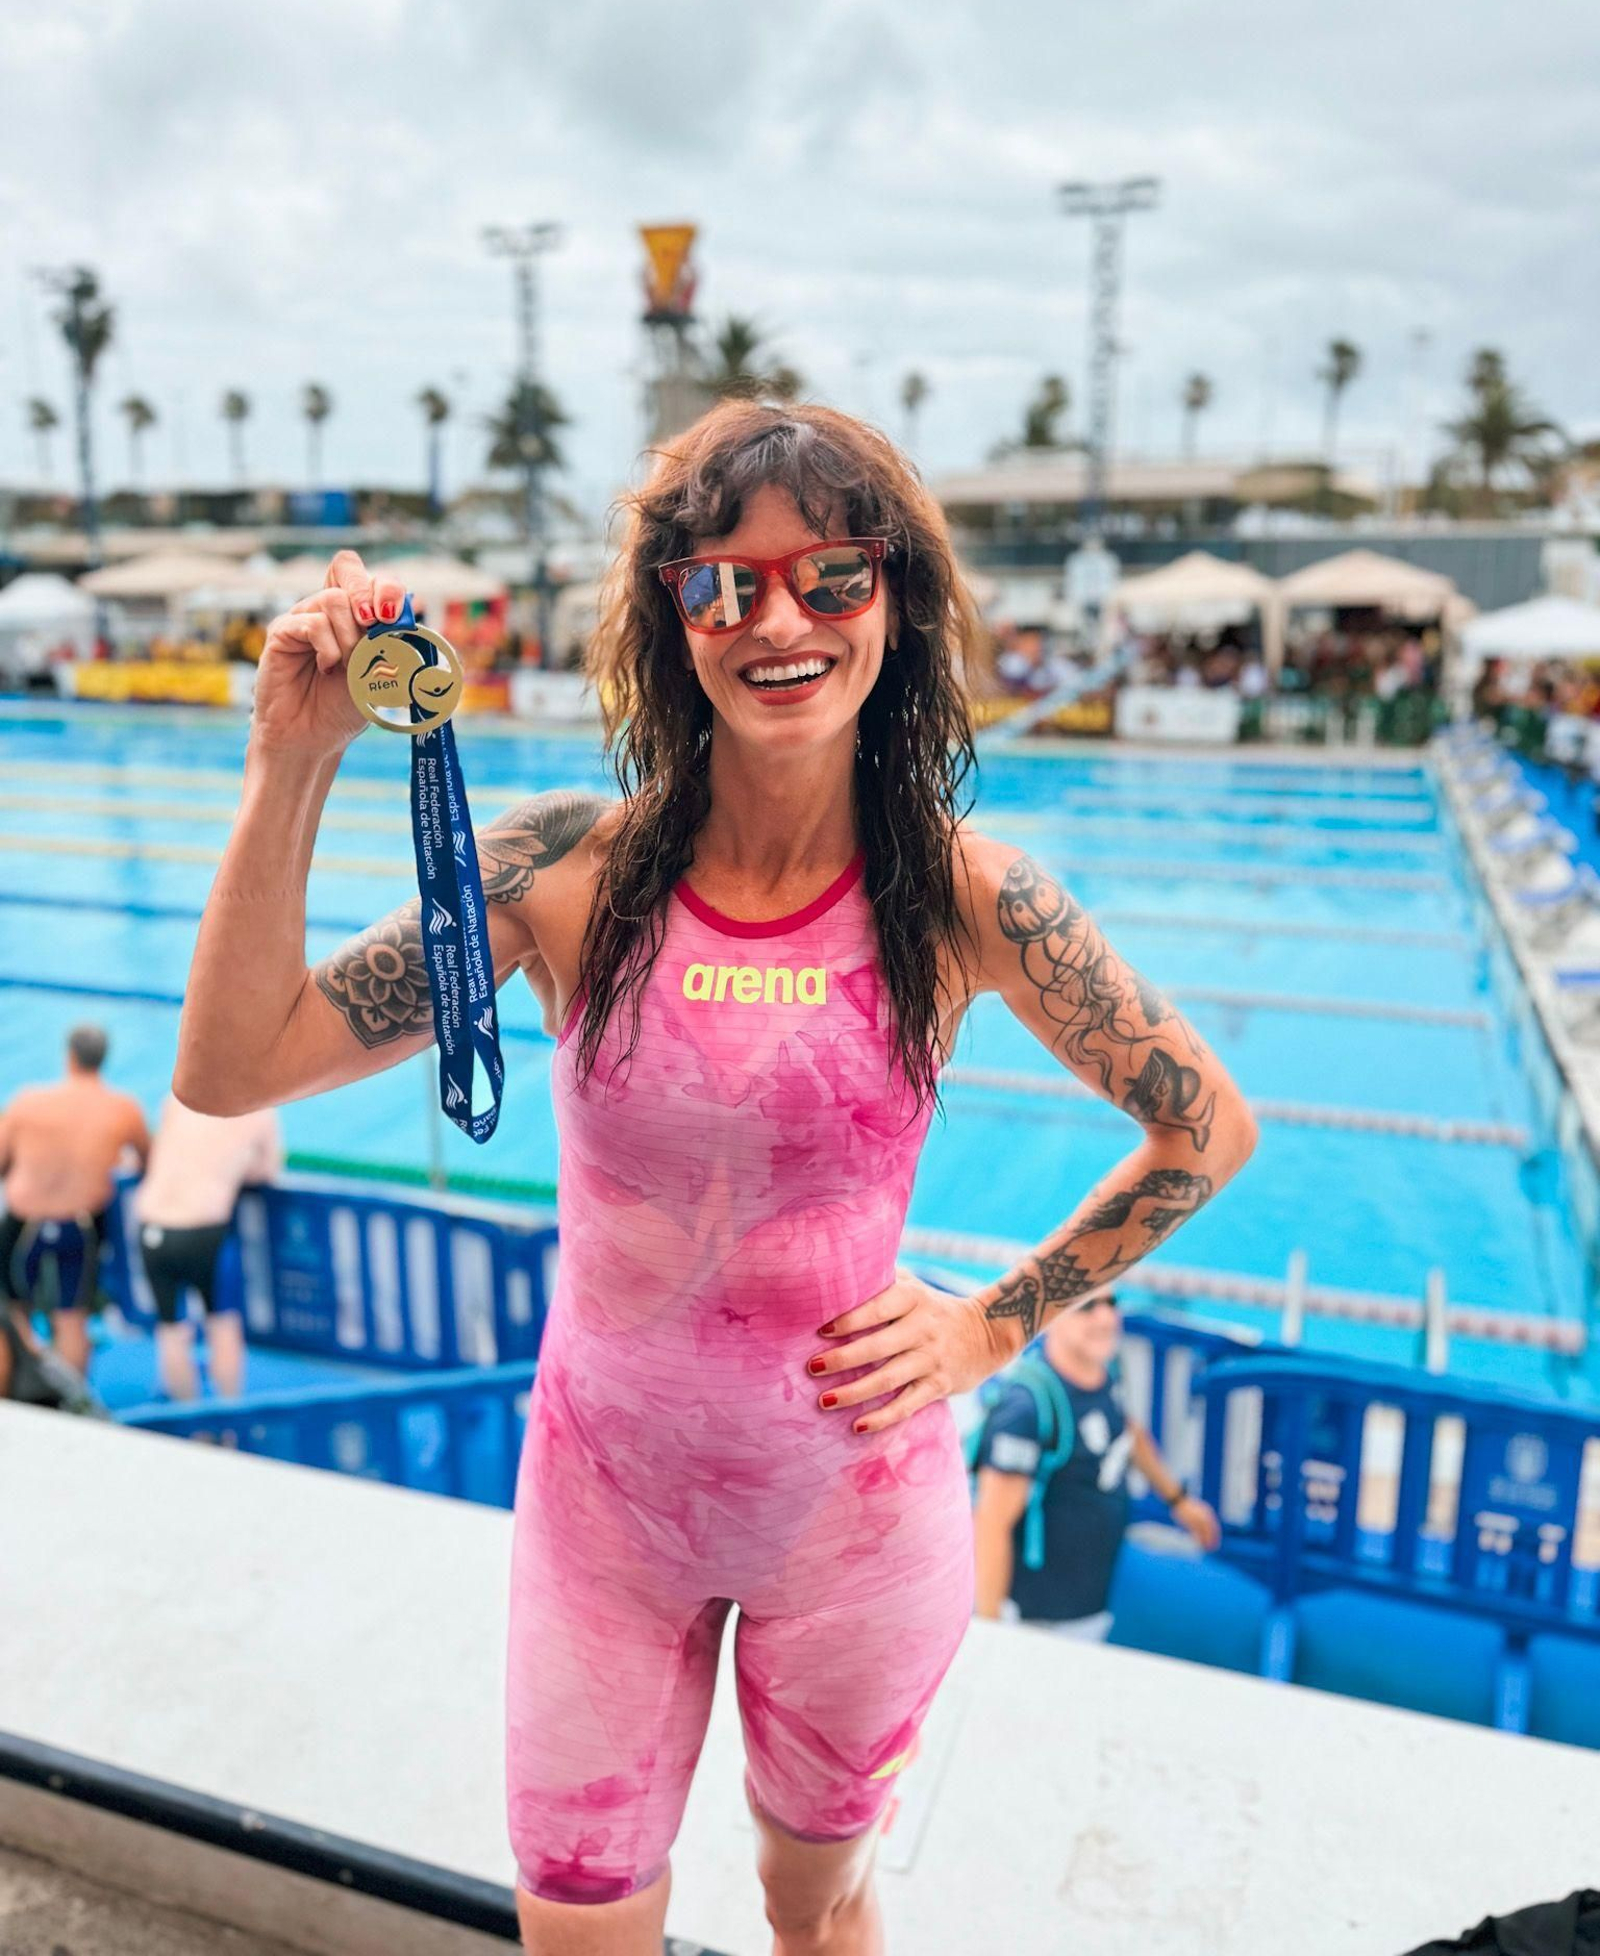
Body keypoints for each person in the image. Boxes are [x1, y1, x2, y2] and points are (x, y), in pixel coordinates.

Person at [175, 402, 1258, 1956]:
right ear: (669, 617)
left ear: (895, 596)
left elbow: (1206, 1128)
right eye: (722, 584)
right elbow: (235, 1065)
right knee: (576, 1920)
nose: (778, 619)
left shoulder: (963, 896)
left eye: (831, 573)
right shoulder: (567, 870)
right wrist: (294, 761)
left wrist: (994, 1323)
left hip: (854, 1522)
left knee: (808, 1909)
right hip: (603, 1514)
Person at [970, 1288, 1221, 1640]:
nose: (1106, 1318)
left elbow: (1127, 1431)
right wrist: (991, 1633)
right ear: (1050, 1317)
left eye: (1111, 1303)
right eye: (1087, 1306)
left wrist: (1178, 1500)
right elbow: (991, 1525)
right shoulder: (1026, 1410)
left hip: (1088, 1607)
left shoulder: (1105, 1373)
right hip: (1034, 1620)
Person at [0, 1025, 149, 1375]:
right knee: (72, 1320)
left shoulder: (27, 1102)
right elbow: (147, 1161)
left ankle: (13, 1394)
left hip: (25, 1224)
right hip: (81, 1226)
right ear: (104, 1059)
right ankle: (72, 1406)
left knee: (13, 1312)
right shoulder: (123, 1109)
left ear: (68, 1057)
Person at [134, 1095, 282, 1401]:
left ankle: (189, 1425)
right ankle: (227, 1425)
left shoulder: (179, 1099)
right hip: (204, 1230)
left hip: (152, 1227)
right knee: (223, 1326)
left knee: (171, 1331)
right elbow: (268, 1171)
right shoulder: (257, 1110)